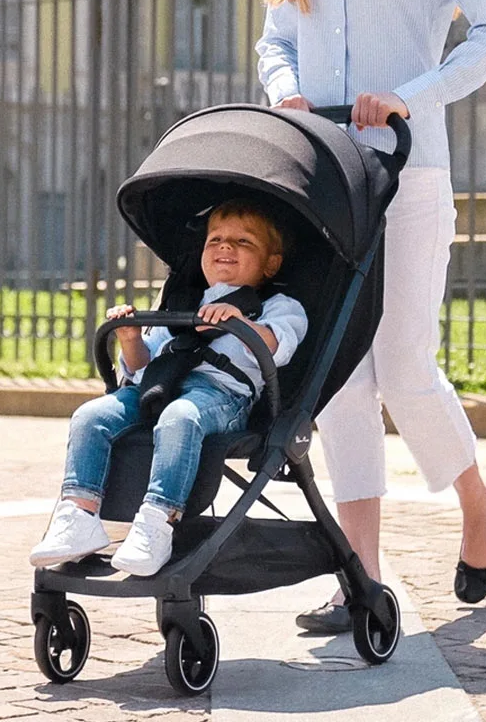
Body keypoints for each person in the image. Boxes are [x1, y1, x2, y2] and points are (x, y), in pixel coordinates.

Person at [255, 0, 486, 633]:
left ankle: (478, 505)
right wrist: (283, 91)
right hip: (324, 175)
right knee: (339, 380)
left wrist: (414, 91)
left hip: (409, 173)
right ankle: (359, 577)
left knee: (405, 364)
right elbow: (274, 38)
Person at [30, 199, 308, 577]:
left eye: (243, 242)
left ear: (270, 263)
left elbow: (278, 345)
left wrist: (241, 321)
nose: (226, 247)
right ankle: (78, 515)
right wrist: (130, 339)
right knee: (90, 415)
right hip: (158, 386)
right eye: (216, 240)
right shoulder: (181, 300)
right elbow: (144, 366)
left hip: (220, 396)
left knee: (180, 417)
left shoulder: (278, 306)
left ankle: (158, 521)